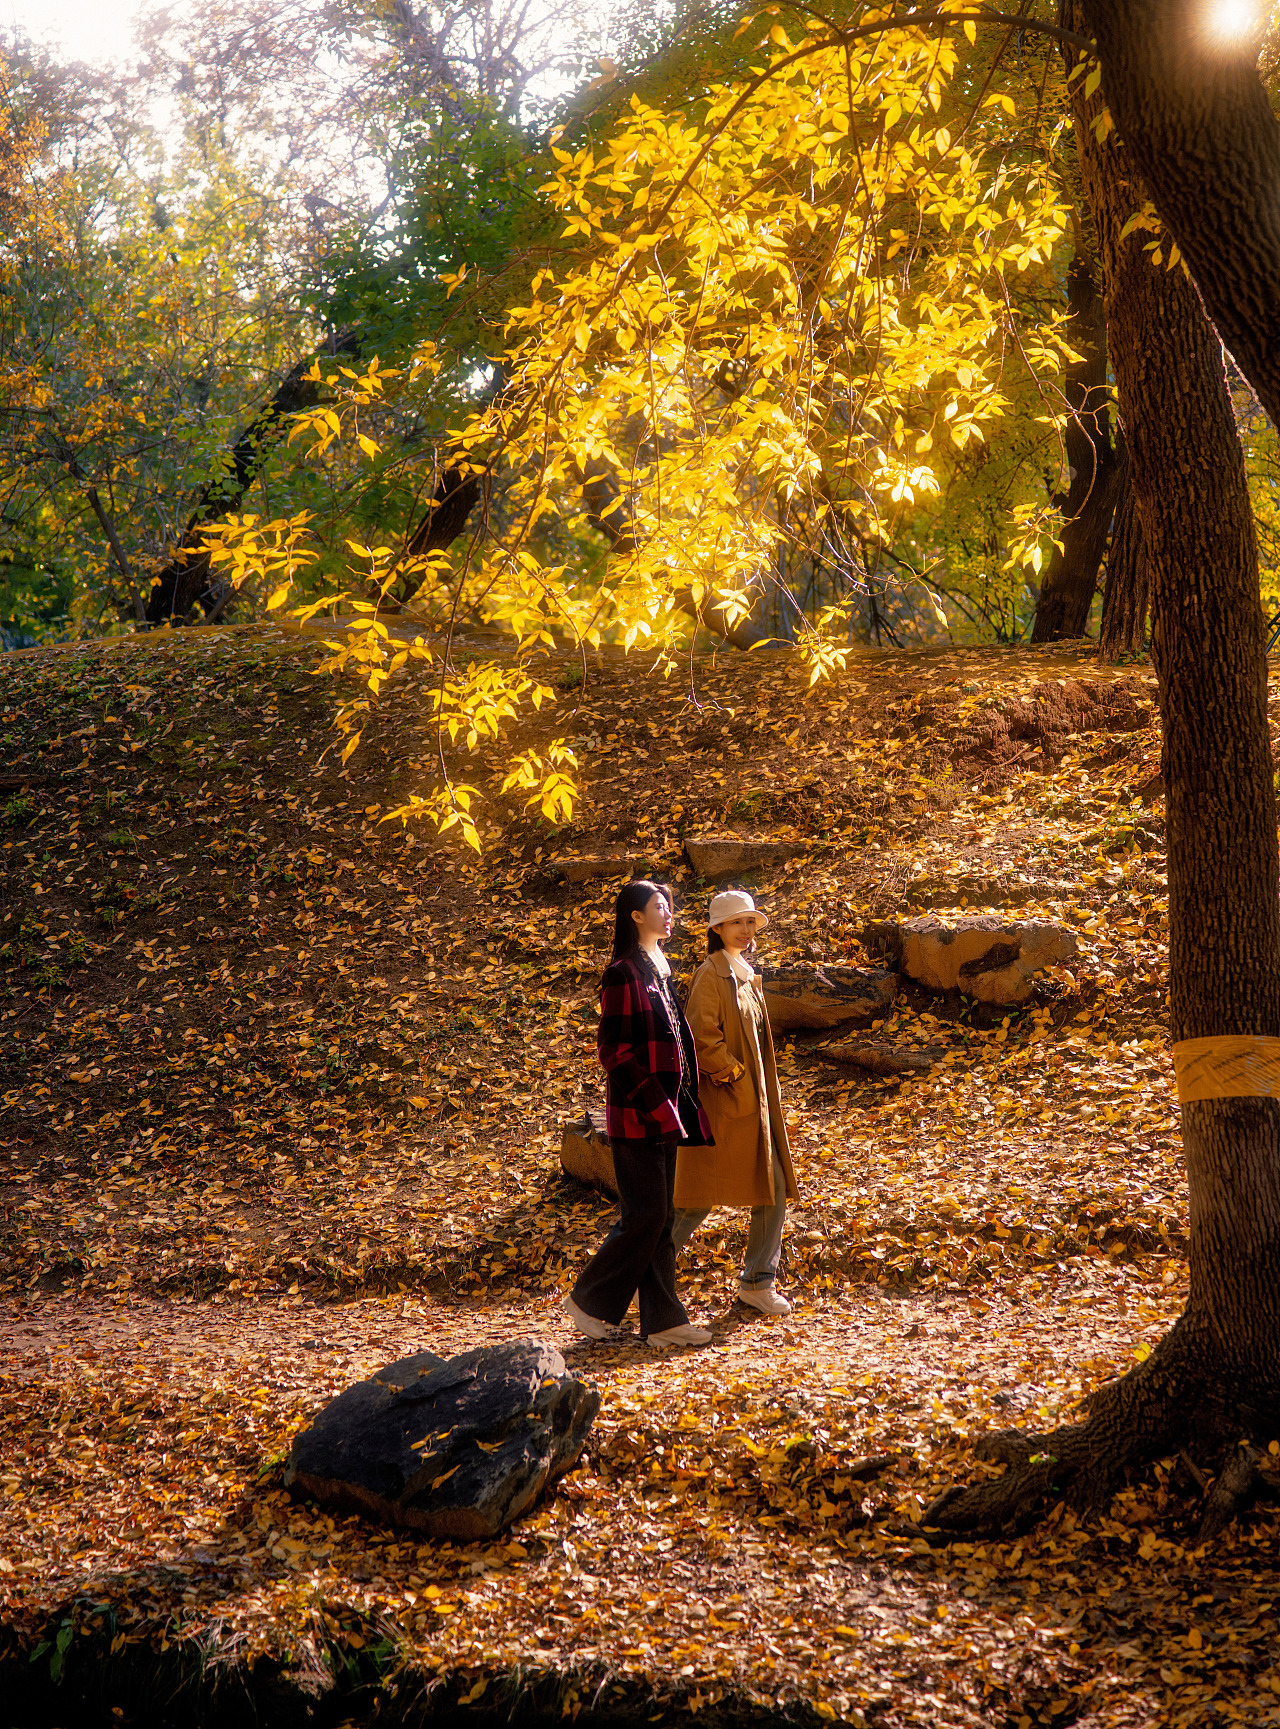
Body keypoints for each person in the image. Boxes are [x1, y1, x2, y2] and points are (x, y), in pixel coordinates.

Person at [566, 880, 715, 1349]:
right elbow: (613, 1050)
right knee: (645, 1217)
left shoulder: (659, 969)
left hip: (667, 1111)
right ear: (635, 915)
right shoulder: (623, 973)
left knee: (662, 1217)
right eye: (659, 905)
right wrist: (655, 1101)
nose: (669, 912)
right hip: (639, 1113)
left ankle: (664, 1320)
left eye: (670, 905)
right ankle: (590, 1301)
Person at [672, 888, 800, 1317]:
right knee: (697, 1197)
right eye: (736, 923)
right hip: (724, 1104)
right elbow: (701, 1037)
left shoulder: (743, 971)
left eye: (750, 923)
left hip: (756, 1105)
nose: (746, 930)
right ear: (717, 929)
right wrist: (736, 1076)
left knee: (773, 1187)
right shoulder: (712, 974)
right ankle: (644, 1277)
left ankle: (757, 1282)